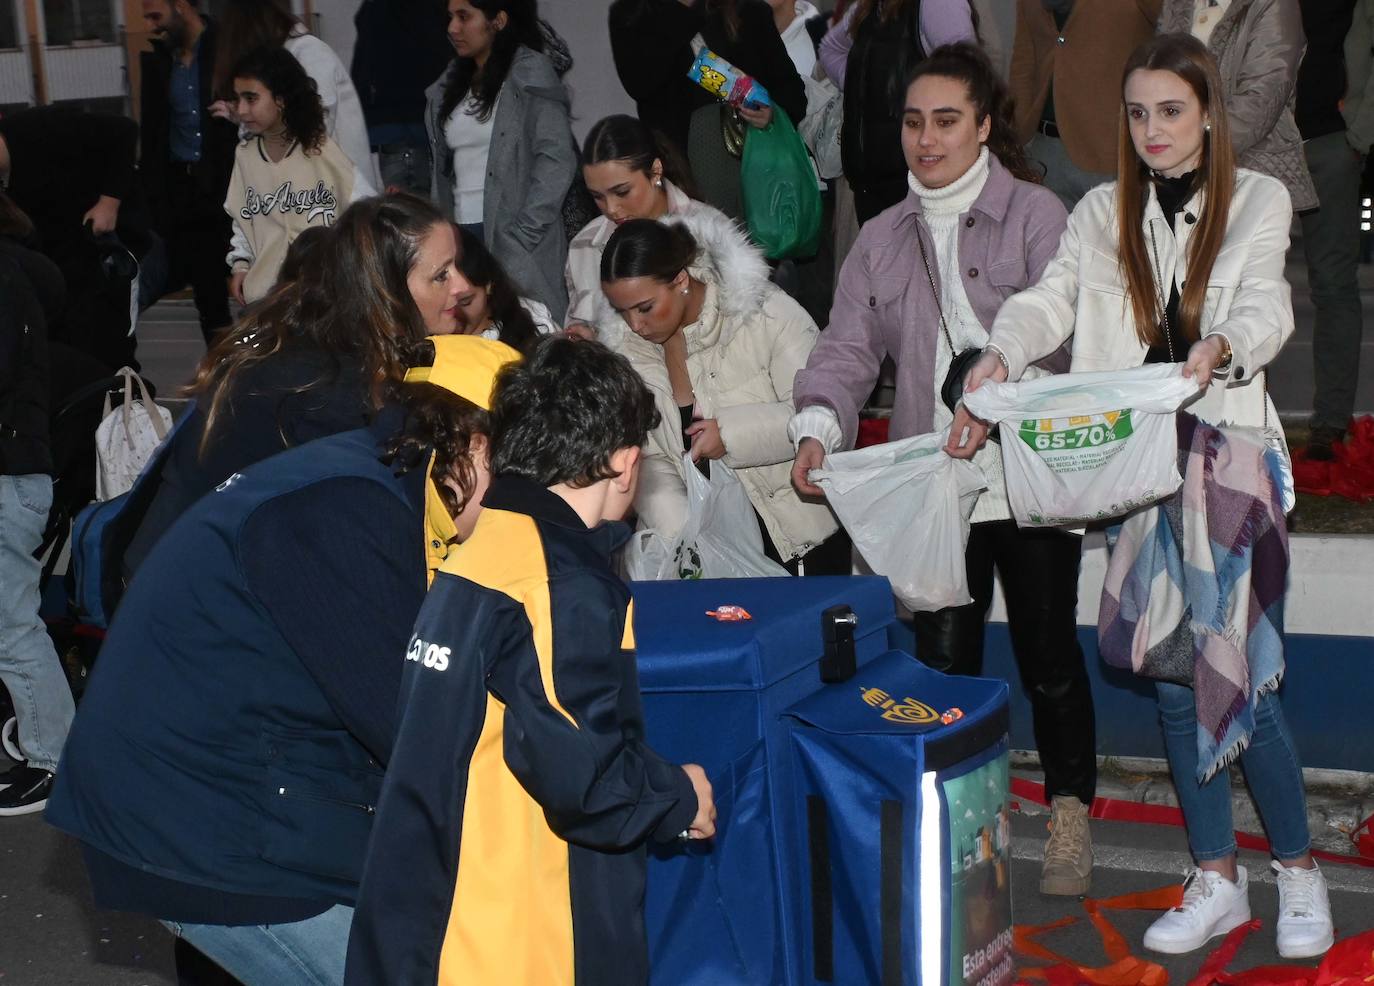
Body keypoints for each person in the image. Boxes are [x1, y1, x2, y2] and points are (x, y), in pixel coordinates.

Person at [953, 34, 1333, 959]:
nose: (1152, 130)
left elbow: (1267, 303)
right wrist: (1004, 349)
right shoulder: (1099, 211)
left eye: (1170, 110)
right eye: (1137, 113)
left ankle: (1298, 872)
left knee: (1241, 675)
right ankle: (1215, 877)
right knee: (1170, 678)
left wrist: (1222, 347)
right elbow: (1051, 299)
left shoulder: (1259, 199)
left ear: (1207, 112)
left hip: (1228, 456)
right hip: (1132, 463)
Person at [44, 334, 519, 986]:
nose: (522, 506)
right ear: (475, 443)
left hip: (232, 787)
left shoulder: (381, 482)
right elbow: (420, 728)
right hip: (205, 823)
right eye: (520, 477)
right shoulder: (344, 509)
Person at [790, 42, 1097, 895]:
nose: (926, 140)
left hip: (1027, 479)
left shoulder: (1038, 215)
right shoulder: (881, 236)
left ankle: (1071, 814)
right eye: (914, 122)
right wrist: (819, 425)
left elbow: (1067, 334)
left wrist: (1000, 391)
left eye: (947, 122)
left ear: (986, 127)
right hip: (935, 484)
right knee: (941, 666)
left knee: (1047, 658)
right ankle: (964, 816)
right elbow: (846, 347)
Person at [344, 337, 716, 986]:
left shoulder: (472, 558)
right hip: (519, 941)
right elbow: (586, 780)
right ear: (625, 465)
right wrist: (678, 796)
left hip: (432, 921)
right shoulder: (559, 583)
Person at [124, 193, 458, 579]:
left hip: (201, 573)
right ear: (386, 291)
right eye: (441, 275)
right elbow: (351, 541)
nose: (460, 286)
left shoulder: (328, 347)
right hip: (192, 595)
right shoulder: (321, 388)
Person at [601, 216, 846, 573]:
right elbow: (647, 457)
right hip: (711, 556)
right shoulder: (631, 357)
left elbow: (819, 413)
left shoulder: (766, 314)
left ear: (681, 281)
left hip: (799, 537)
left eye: (645, 308)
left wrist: (730, 435)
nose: (635, 325)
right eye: (621, 312)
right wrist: (685, 534)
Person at [425, 0, 576, 320]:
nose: (452, 28)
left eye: (464, 16)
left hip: (512, 234)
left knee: (529, 335)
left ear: (498, 20)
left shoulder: (529, 73)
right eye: (450, 17)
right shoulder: (450, 81)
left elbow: (557, 158)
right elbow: (442, 167)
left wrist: (522, 233)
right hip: (460, 237)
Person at [0, 193, 71, 816]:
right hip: (21, 470)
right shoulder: (23, 268)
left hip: (7, 474)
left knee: (11, 629)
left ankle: (54, 758)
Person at [565, 114, 754, 333]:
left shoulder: (711, 232)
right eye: (597, 196)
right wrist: (583, 338)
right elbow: (578, 324)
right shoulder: (584, 245)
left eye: (622, 192)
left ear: (655, 171)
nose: (611, 208)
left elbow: (743, 325)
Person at [223, 46, 375, 305]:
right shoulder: (245, 156)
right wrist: (240, 264)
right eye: (237, 99)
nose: (242, 110)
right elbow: (241, 218)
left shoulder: (322, 149)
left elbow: (365, 210)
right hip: (265, 298)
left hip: (322, 297)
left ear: (281, 99)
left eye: (251, 98)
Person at [0, 105, 145, 370]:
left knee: (109, 348)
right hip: (59, 273)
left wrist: (108, 203)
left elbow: (124, 130)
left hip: (103, 252)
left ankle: (128, 401)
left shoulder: (39, 126)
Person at [818, 0, 977, 223]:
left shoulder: (937, 4)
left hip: (920, 191)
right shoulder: (869, 7)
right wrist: (863, 86)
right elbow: (830, 48)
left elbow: (968, 80)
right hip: (871, 190)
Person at [139, 0, 239, 342]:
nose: (152, 26)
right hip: (185, 194)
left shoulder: (229, 47)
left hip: (230, 184)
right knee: (209, 299)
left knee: (255, 285)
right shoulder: (160, 62)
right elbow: (151, 134)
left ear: (181, 6)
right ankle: (222, 376)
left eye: (156, 16)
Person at [1157, 0, 1316, 212]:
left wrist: (1193, 146)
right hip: (1181, 175)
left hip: (1254, 173)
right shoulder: (1176, 4)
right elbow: (1158, 82)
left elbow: (1263, 98)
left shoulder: (1274, 4)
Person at [1297, 0, 1368, 459]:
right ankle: (1234, 416)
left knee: (1334, 285)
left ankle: (1329, 425)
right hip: (1257, 141)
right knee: (1232, 278)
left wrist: (1360, 131)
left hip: (1332, 142)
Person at [1008, 0, 1161, 211]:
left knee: (1116, 243)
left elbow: (1175, 32)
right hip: (1043, 152)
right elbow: (1024, 59)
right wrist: (1014, 136)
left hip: (1112, 151)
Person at [211, 0, 380, 190]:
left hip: (337, 199)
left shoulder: (308, 53)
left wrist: (252, 120)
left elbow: (314, 131)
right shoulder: (289, 57)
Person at [684, 0, 809, 221]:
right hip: (694, 175)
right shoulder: (656, 22)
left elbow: (792, 92)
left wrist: (770, 113)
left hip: (756, 166)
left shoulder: (749, 12)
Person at [350, 0, 454, 197]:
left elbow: (365, 65)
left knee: (409, 214)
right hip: (425, 119)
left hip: (399, 124)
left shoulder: (380, 9)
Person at [434, 224, 557, 352]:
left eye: (465, 301)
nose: (453, 314)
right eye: (442, 304)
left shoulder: (533, 319)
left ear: (488, 285)